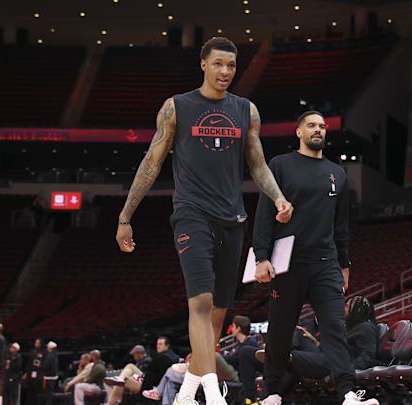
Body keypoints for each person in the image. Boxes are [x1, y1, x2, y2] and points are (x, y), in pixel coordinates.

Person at [115, 36, 293, 405]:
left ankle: (186, 394)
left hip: (233, 218)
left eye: (231, 65)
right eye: (218, 64)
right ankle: (212, 392)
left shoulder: (247, 110)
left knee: (217, 315)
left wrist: (277, 196)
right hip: (191, 214)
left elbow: (258, 165)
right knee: (200, 302)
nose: (225, 71)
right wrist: (125, 216)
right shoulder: (176, 107)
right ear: (203, 64)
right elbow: (152, 162)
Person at [252, 111, 375, 405]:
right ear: (298, 132)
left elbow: (340, 224)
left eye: (322, 126)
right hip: (288, 263)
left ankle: (347, 392)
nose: (318, 130)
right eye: (311, 125)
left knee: (334, 328)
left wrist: (344, 263)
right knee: (280, 331)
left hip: (326, 262)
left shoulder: (338, 173)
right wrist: (261, 256)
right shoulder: (280, 165)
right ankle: (271, 393)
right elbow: (264, 214)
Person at [23, 339, 45, 405]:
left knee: (38, 393)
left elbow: (45, 364)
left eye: (38, 343)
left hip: (39, 375)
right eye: (36, 343)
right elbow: (29, 363)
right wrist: (26, 373)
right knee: (30, 392)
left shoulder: (44, 352)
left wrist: (40, 365)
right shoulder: (33, 352)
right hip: (31, 374)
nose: (36, 344)